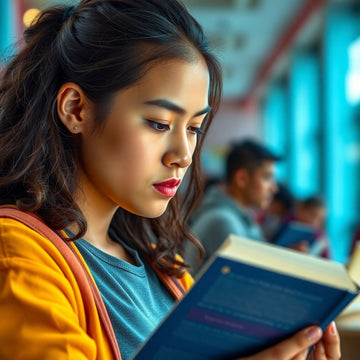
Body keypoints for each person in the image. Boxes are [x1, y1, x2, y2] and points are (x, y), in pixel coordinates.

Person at [0, 1, 340, 359]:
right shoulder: (17, 252)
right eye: (160, 123)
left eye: (194, 128)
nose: (184, 154)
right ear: (76, 109)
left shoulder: (165, 268)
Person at [185, 139, 280, 274]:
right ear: (242, 179)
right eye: (267, 177)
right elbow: (248, 281)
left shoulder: (239, 217)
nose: (274, 188)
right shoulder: (222, 220)